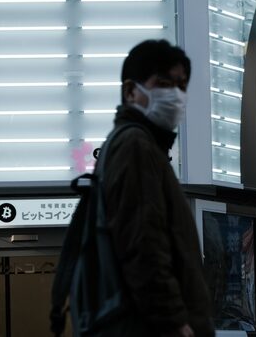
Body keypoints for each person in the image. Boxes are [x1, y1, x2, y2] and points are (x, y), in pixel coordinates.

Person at [78, 39, 214, 336]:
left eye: (181, 85)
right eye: (163, 83)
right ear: (131, 91)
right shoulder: (136, 146)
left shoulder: (140, 145)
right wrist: (176, 322)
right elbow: (144, 244)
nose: (175, 95)